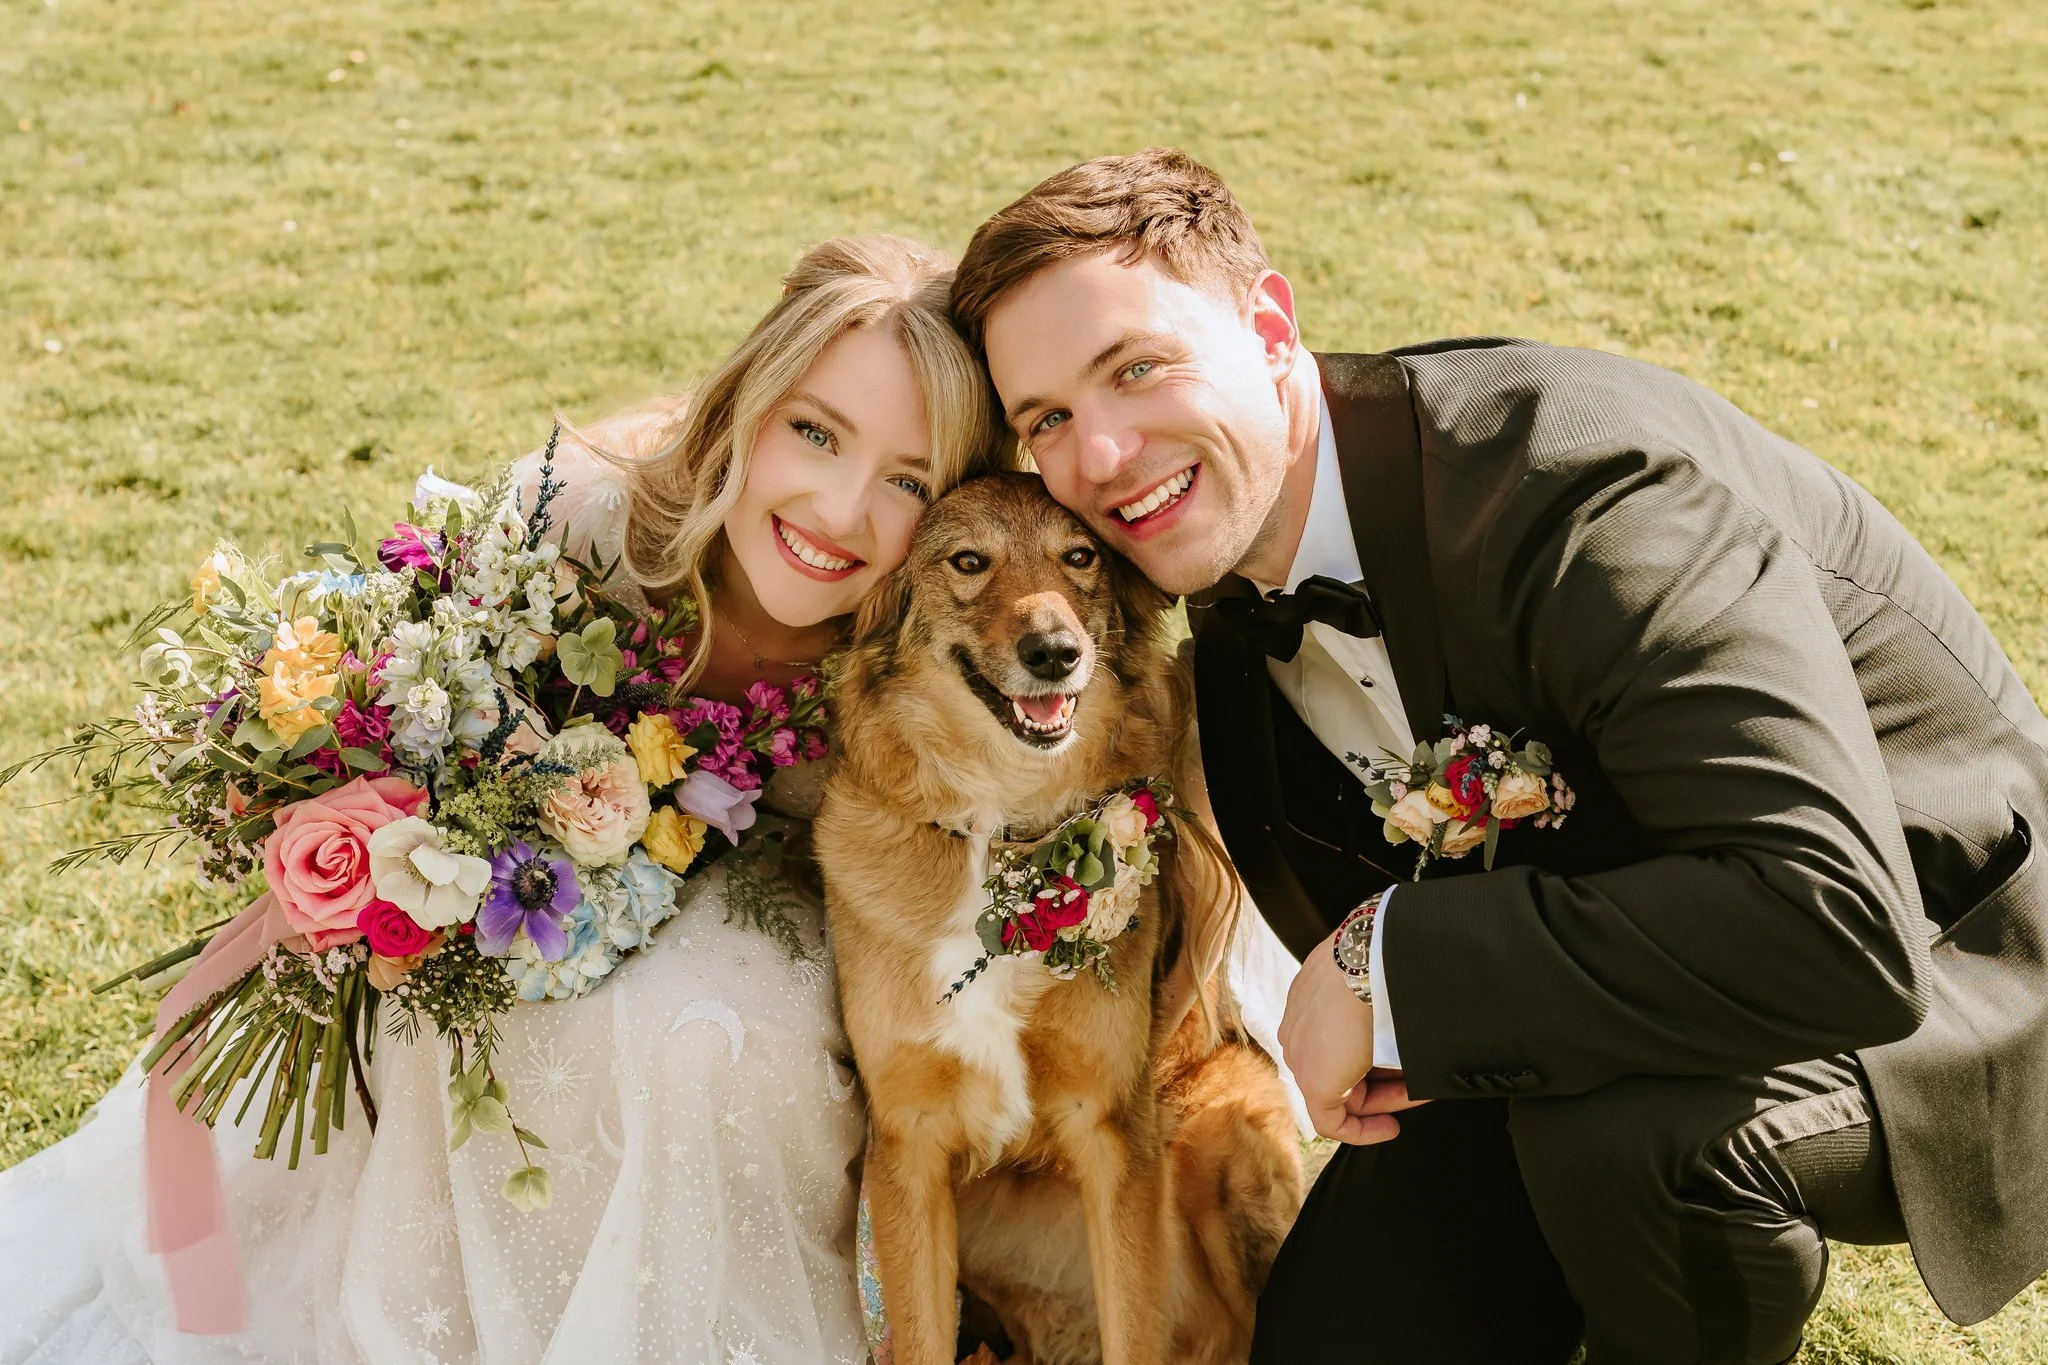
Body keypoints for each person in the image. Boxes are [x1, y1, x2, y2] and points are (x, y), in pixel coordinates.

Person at [948, 147, 2048, 1363]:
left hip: (1944, 958)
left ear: (1269, 327)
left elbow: (1832, 922)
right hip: (1598, 987)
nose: (1097, 458)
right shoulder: (1219, 586)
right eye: (1047, 419)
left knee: (1631, 1146)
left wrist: (1386, 955)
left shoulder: (1582, 492)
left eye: (1136, 368)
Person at [0, 234, 1004, 1365]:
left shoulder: (915, 684)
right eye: (813, 432)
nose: (838, 507)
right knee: (451, 986)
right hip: (522, 876)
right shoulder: (565, 534)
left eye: (909, 483)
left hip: (771, 900)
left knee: (718, 1042)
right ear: (746, 409)